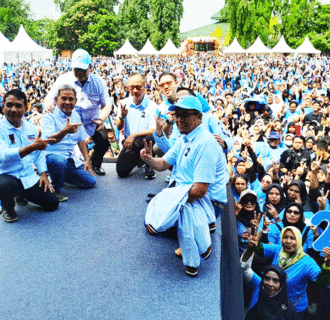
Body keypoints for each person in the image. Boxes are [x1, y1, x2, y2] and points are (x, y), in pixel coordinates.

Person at [142, 95, 227, 277]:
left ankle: (203, 236)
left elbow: (199, 191)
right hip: (187, 192)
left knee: (167, 218)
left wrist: (170, 201)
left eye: (186, 115)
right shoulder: (184, 138)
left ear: (199, 117)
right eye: (177, 115)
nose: (180, 119)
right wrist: (149, 160)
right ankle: (202, 240)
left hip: (209, 202)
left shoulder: (206, 143)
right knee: (164, 214)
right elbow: (163, 164)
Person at [44, 49, 113, 176]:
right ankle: (61, 169)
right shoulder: (62, 80)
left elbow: (107, 104)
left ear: (90, 67)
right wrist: (48, 104)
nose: (80, 73)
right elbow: (49, 98)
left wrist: (102, 119)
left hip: (92, 122)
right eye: (77, 70)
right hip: (69, 122)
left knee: (104, 141)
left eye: (83, 70)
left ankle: (95, 164)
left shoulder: (99, 82)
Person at [243, 225, 330, 317]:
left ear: (299, 240)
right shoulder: (279, 250)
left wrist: (327, 266)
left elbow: (322, 282)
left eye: (292, 238)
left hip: (294, 309)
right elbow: (260, 249)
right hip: (274, 304)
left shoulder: (307, 262)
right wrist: (254, 239)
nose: (288, 241)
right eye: (285, 237)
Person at [0, 89, 59, 222]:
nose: (13, 109)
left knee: (52, 203)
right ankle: (8, 209)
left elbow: (39, 153)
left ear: (26, 108)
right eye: (9, 105)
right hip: (6, 175)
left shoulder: (31, 128)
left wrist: (43, 174)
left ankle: (20, 195)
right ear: (3, 106)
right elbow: (3, 155)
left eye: (18, 106)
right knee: (5, 185)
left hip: (28, 176)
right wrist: (32, 147)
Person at [40, 84, 96, 201]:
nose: (67, 102)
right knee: (59, 162)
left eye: (71, 99)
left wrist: (87, 160)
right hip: (52, 157)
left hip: (69, 159)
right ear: (56, 100)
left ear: (75, 101)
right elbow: (50, 141)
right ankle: (56, 189)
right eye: (63, 98)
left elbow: (81, 140)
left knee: (90, 181)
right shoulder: (48, 117)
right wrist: (64, 132)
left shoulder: (75, 115)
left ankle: (60, 175)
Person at [115, 73, 157, 179]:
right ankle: (139, 159)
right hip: (130, 143)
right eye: (132, 87)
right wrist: (122, 117)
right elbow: (119, 127)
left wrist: (133, 135)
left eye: (138, 87)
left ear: (144, 87)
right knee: (121, 172)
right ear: (128, 87)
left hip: (145, 141)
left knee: (151, 138)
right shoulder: (123, 103)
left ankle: (149, 163)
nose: (135, 91)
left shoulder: (152, 106)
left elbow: (153, 130)